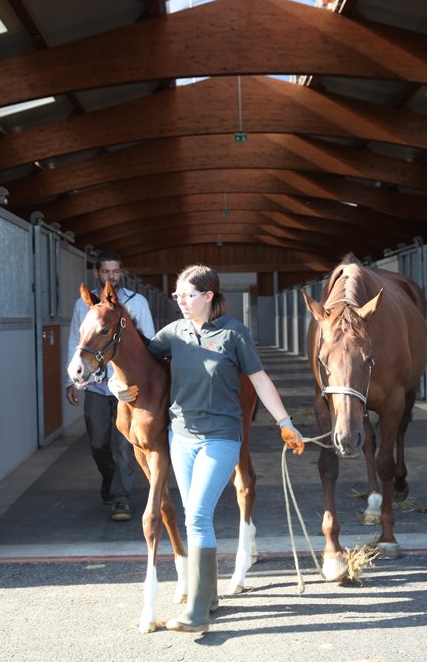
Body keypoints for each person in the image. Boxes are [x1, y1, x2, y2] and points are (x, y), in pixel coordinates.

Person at [113, 264, 305, 633]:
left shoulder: (234, 333)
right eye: (177, 296)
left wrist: (285, 422)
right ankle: (209, 595)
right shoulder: (174, 333)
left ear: (208, 295)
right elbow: (134, 359)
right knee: (192, 516)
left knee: (198, 516)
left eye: (187, 295)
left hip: (221, 436)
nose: (181, 301)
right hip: (181, 438)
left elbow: (260, 379)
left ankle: (197, 612)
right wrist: (114, 386)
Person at [66, 250, 155, 522]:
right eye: (105, 271)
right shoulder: (83, 304)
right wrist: (71, 381)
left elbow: (149, 340)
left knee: (126, 445)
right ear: (97, 273)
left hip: (128, 387)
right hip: (95, 385)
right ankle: (110, 479)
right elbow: (76, 341)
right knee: (98, 442)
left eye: (115, 271)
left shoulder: (136, 302)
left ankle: (120, 498)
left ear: (121, 273)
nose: (111, 276)